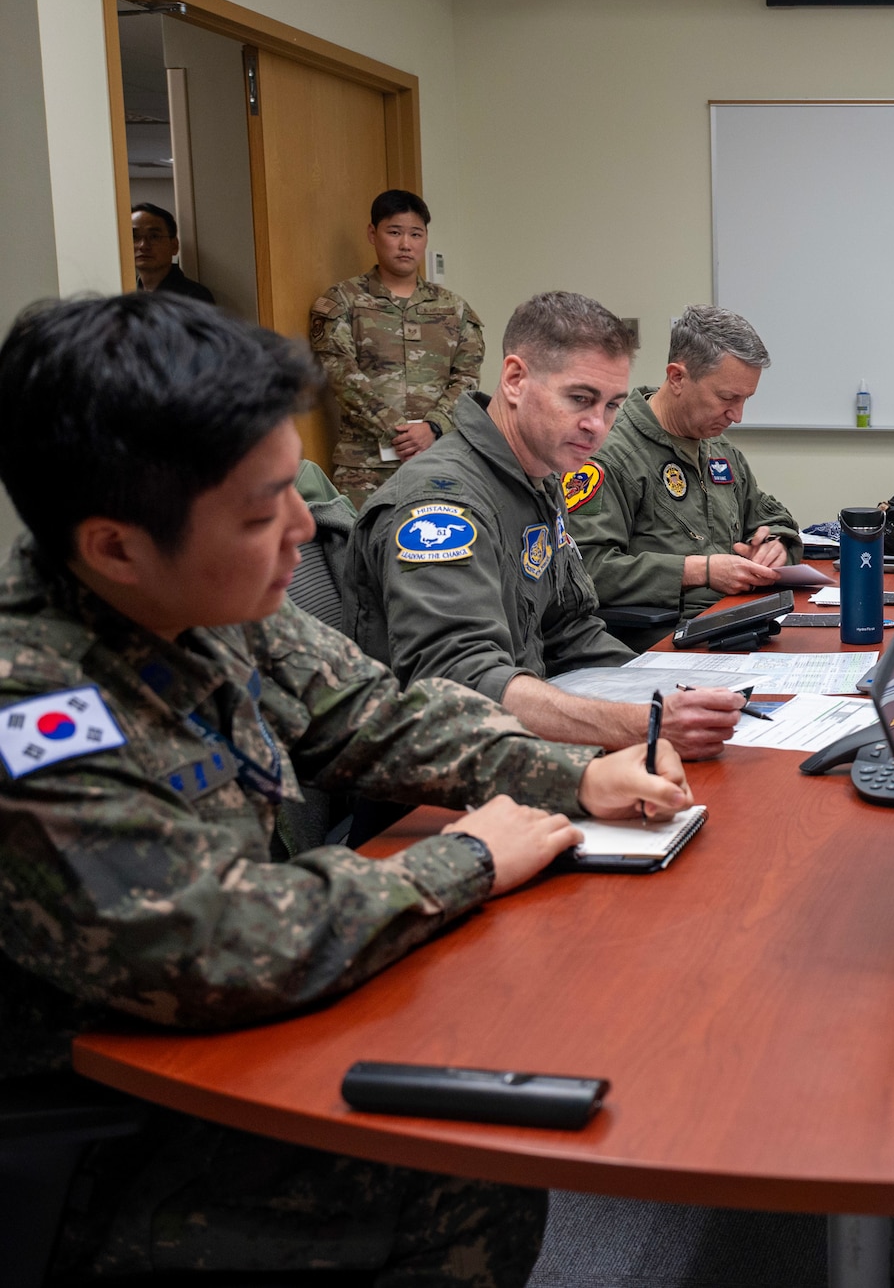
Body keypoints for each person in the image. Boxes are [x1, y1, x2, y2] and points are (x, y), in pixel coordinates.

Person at [0, 293, 692, 1285]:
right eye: (259, 509)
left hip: (244, 1045)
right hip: (136, 1121)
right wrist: (464, 859)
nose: (302, 530)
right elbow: (210, 939)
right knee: (466, 1165)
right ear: (116, 544)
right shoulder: (33, 710)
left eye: (294, 488)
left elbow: (374, 712)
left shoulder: (206, 603)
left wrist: (576, 772)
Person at [349, 291, 743, 759]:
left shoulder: (535, 474)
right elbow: (461, 682)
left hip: (520, 746)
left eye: (613, 405)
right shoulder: (440, 505)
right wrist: (646, 722)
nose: (598, 425)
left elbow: (566, 627)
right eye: (580, 398)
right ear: (515, 379)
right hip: (440, 780)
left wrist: (664, 689)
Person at [568, 304, 801, 620]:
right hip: (659, 641)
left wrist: (775, 541)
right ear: (677, 377)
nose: (738, 415)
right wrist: (697, 571)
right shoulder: (610, 456)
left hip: (736, 620)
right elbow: (584, 568)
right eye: (727, 398)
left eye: (746, 399)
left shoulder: (719, 449)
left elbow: (766, 513)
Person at [308, 189, 484, 506]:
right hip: (365, 470)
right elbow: (342, 375)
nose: (406, 244)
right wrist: (399, 431)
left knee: (439, 548)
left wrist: (433, 427)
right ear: (373, 234)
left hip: (441, 457)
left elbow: (468, 378)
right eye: (394, 232)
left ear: (425, 238)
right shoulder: (342, 301)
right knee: (361, 553)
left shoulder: (453, 308)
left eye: (415, 234)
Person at [130, 202, 214, 303]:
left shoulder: (194, 297)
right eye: (134, 237)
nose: (143, 245)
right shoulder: (125, 292)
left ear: (174, 245)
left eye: (154, 236)